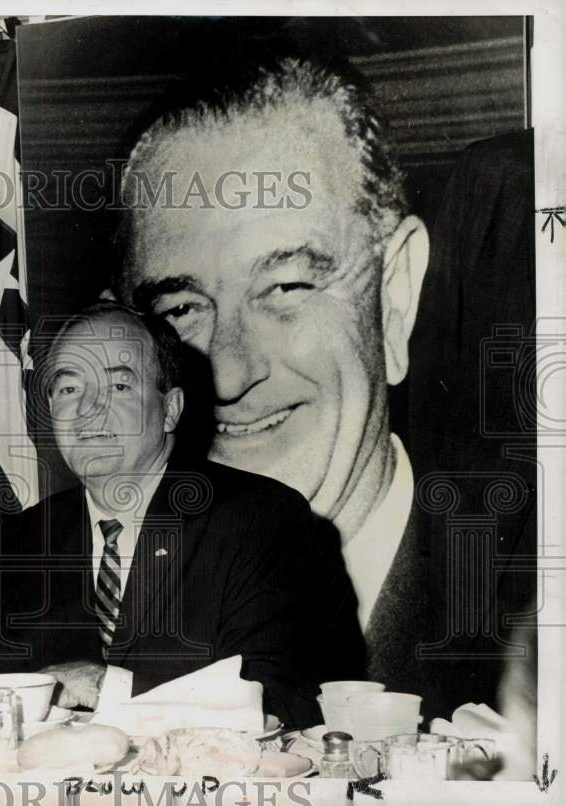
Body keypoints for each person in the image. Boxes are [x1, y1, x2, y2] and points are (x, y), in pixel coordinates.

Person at [114, 56, 532, 718]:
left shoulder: (532, 619)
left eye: (285, 288)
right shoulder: (124, 598)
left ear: (394, 295)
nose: (225, 373)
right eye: (182, 309)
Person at [0, 302, 362, 728]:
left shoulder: (261, 519)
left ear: (170, 409)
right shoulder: (26, 536)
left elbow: (280, 698)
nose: (89, 408)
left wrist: (106, 689)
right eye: (69, 389)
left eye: (118, 387)